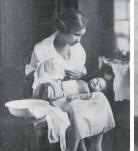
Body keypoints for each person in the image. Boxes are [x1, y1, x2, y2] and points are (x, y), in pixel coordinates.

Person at [28, 8, 115, 151]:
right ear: (64, 29)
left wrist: (80, 75)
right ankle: (75, 148)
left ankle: (96, 146)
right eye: (76, 35)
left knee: (100, 97)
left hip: (74, 91)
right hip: (51, 96)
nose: (79, 40)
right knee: (77, 107)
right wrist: (51, 79)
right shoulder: (42, 49)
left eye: (82, 35)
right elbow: (33, 79)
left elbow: (82, 75)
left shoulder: (78, 49)